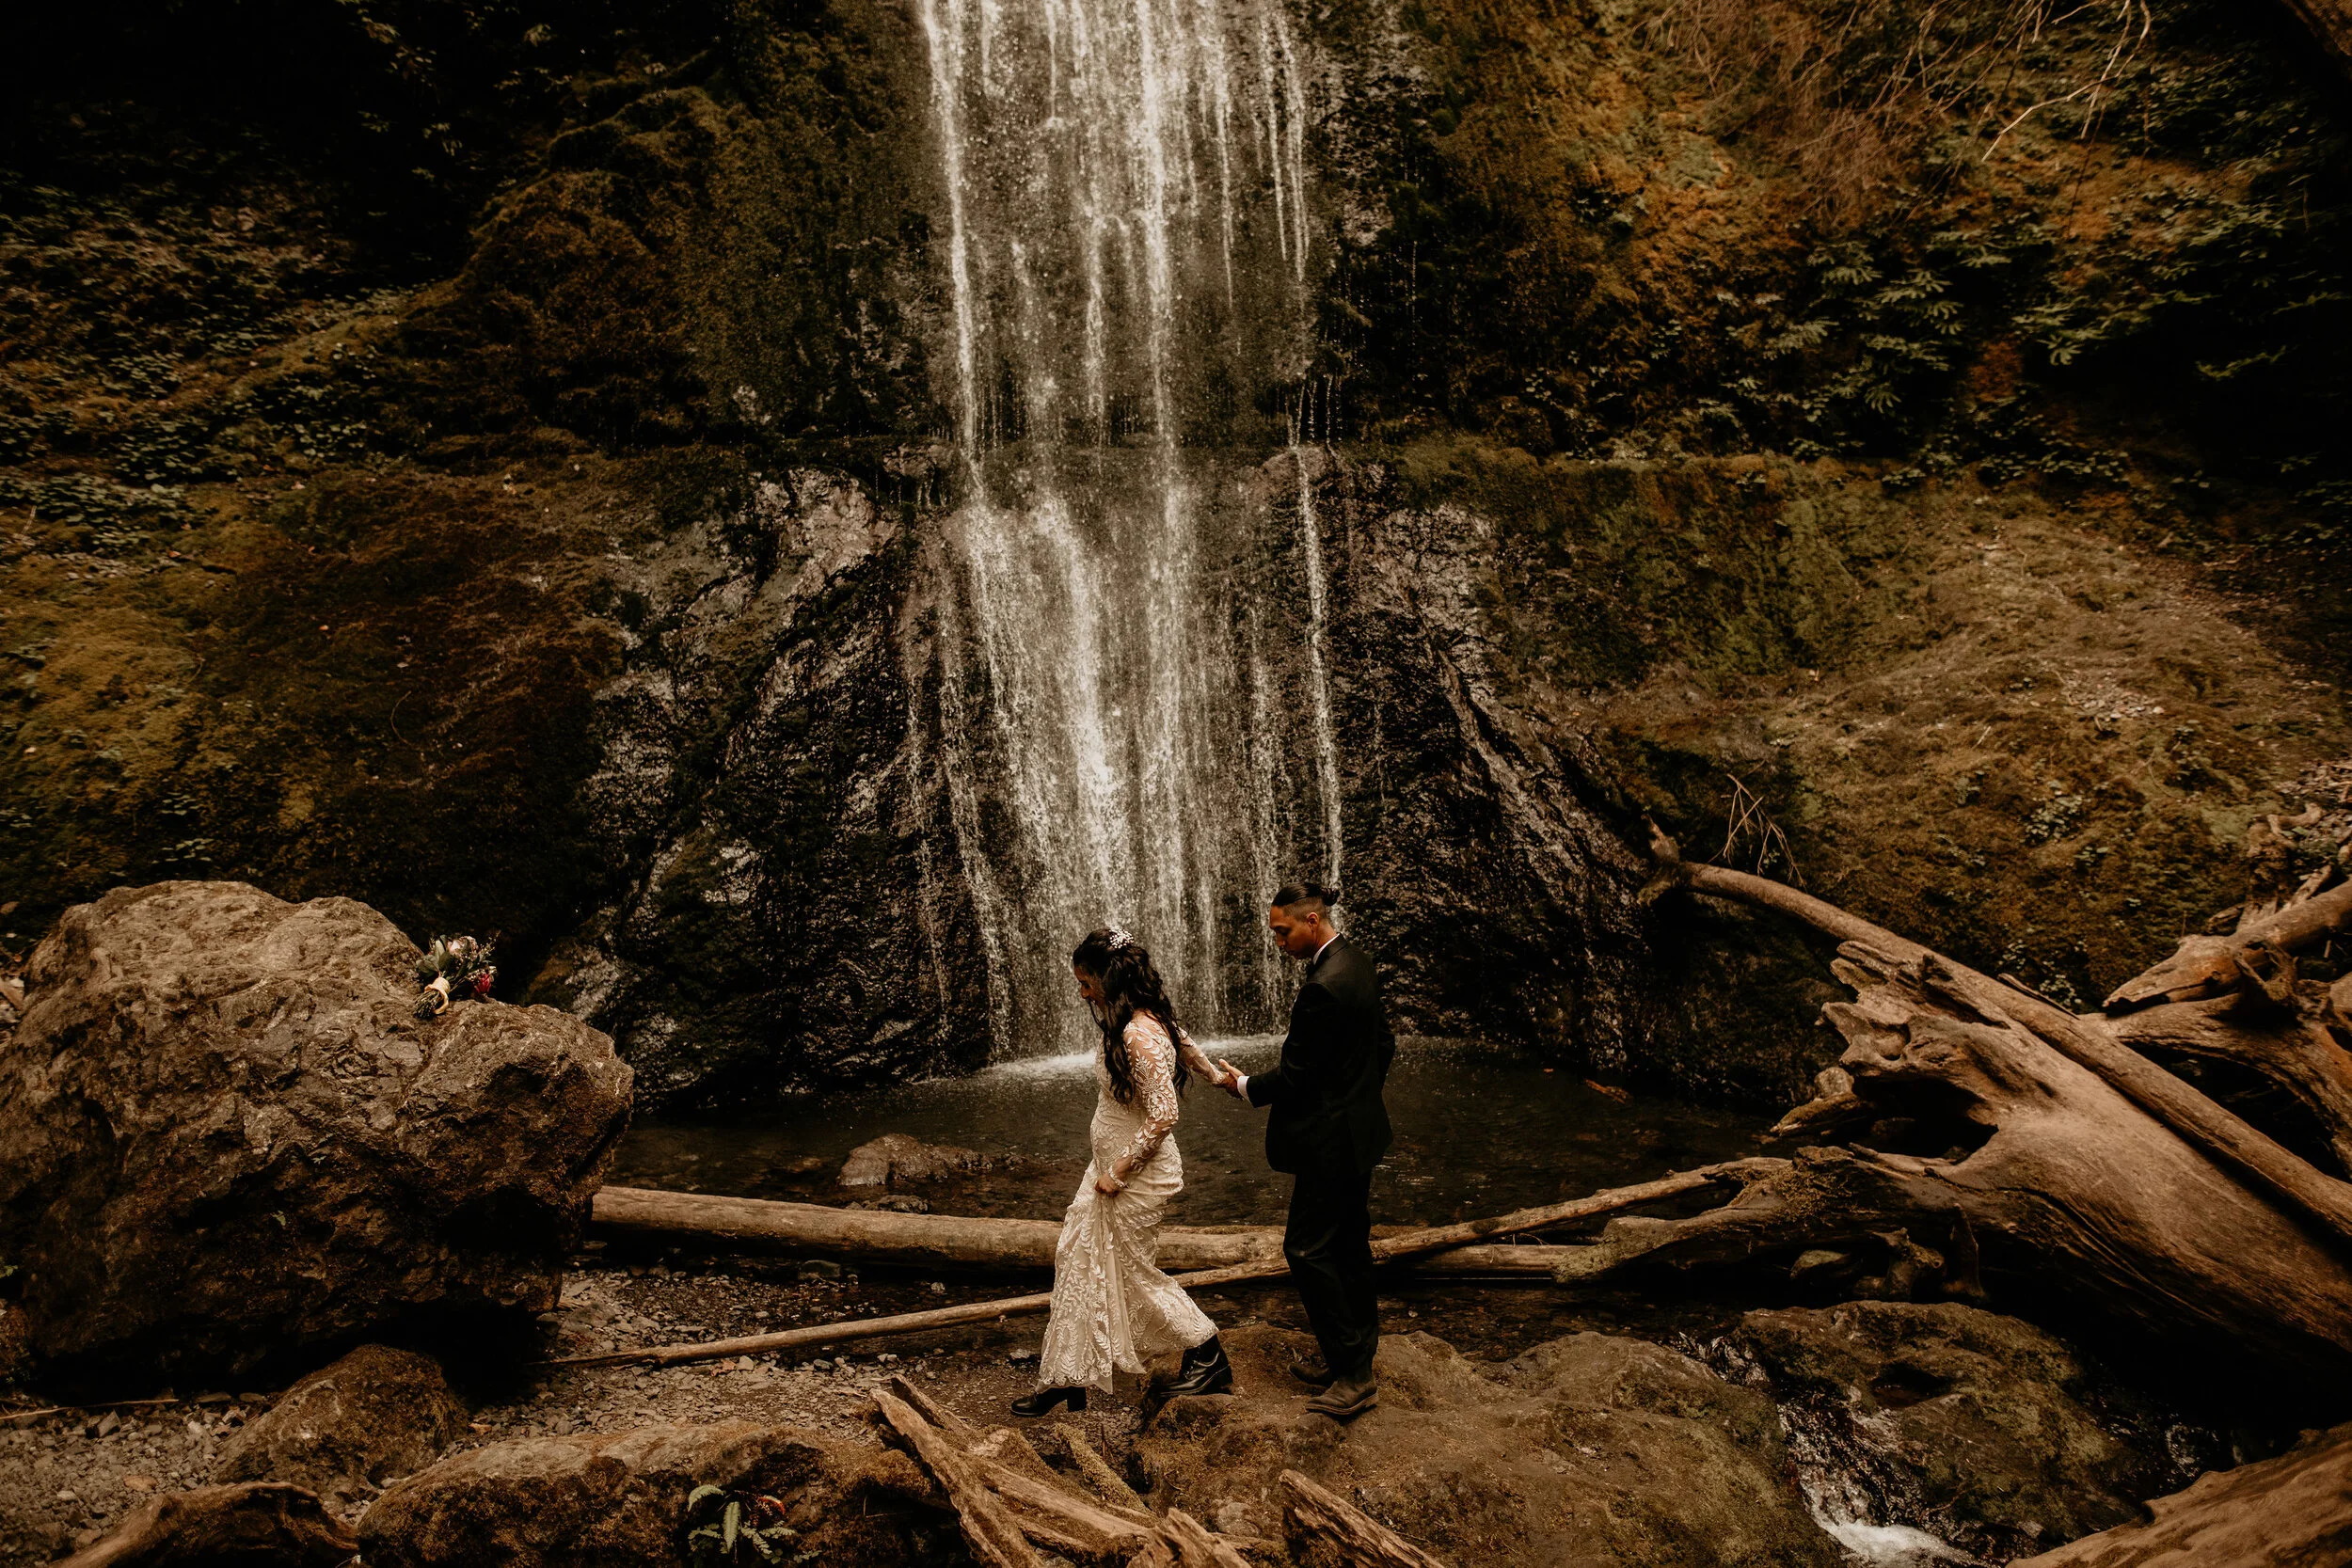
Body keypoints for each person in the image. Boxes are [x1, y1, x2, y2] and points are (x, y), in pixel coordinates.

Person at [1013, 926, 1238, 1416]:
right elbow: (1184, 1042)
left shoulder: (1138, 1033)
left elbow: (1164, 1115)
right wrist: (1217, 1076)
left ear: (1108, 978)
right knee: (1077, 1257)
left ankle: (1208, 1354)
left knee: (1133, 1274)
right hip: (1107, 1169)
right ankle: (1066, 1376)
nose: (1082, 993)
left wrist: (1117, 1171)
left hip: (1133, 1178)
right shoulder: (1142, 1018)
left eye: (1086, 982)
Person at [1216, 880, 1393, 1420]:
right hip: (1359, 1133)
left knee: (1307, 1249)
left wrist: (1243, 1086)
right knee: (1349, 1244)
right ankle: (1352, 1357)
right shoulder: (1357, 962)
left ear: (1311, 921)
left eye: (1282, 931)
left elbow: (1294, 1076)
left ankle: (1354, 1376)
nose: (1278, 942)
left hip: (1330, 1144)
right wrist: (1358, 1098)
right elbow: (1384, 1045)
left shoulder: (1322, 987)